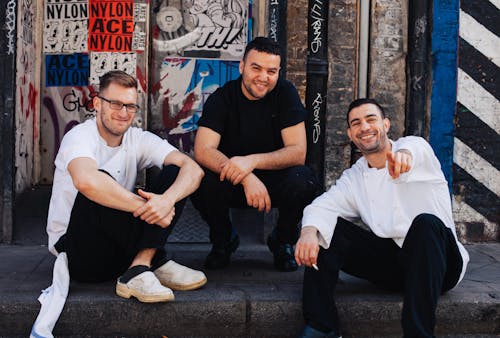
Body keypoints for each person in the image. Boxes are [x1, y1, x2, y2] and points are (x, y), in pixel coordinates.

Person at [294, 98, 469, 337]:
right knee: (324, 227)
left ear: (386, 124)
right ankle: (321, 325)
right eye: (356, 123)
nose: (364, 127)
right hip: (395, 266)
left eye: (371, 119)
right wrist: (308, 233)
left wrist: (405, 156)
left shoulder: (415, 150)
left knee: (426, 223)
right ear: (350, 134)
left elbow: (414, 149)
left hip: (440, 265)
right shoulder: (355, 177)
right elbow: (323, 206)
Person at [47, 70, 207, 303]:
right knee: (98, 183)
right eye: (115, 104)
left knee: (176, 172)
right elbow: (85, 180)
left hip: (120, 248)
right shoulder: (79, 136)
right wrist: (149, 207)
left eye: (130, 106)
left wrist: (166, 201)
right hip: (79, 253)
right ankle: (153, 261)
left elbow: (194, 169)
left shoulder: (137, 138)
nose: (123, 113)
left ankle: (142, 265)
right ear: (97, 104)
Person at [191, 37, 322, 271]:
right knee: (197, 178)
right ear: (242, 67)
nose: (263, 77)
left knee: (304, 180)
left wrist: (251, 162)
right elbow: (203, 150)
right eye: (256, 68)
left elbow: (297, 152)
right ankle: (223, 239)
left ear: (278, 72)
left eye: (271, 71)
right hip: (231, 180)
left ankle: (282, 240)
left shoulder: (285, 94)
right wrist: (245, 175)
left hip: (273, 182)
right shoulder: (223, 97)